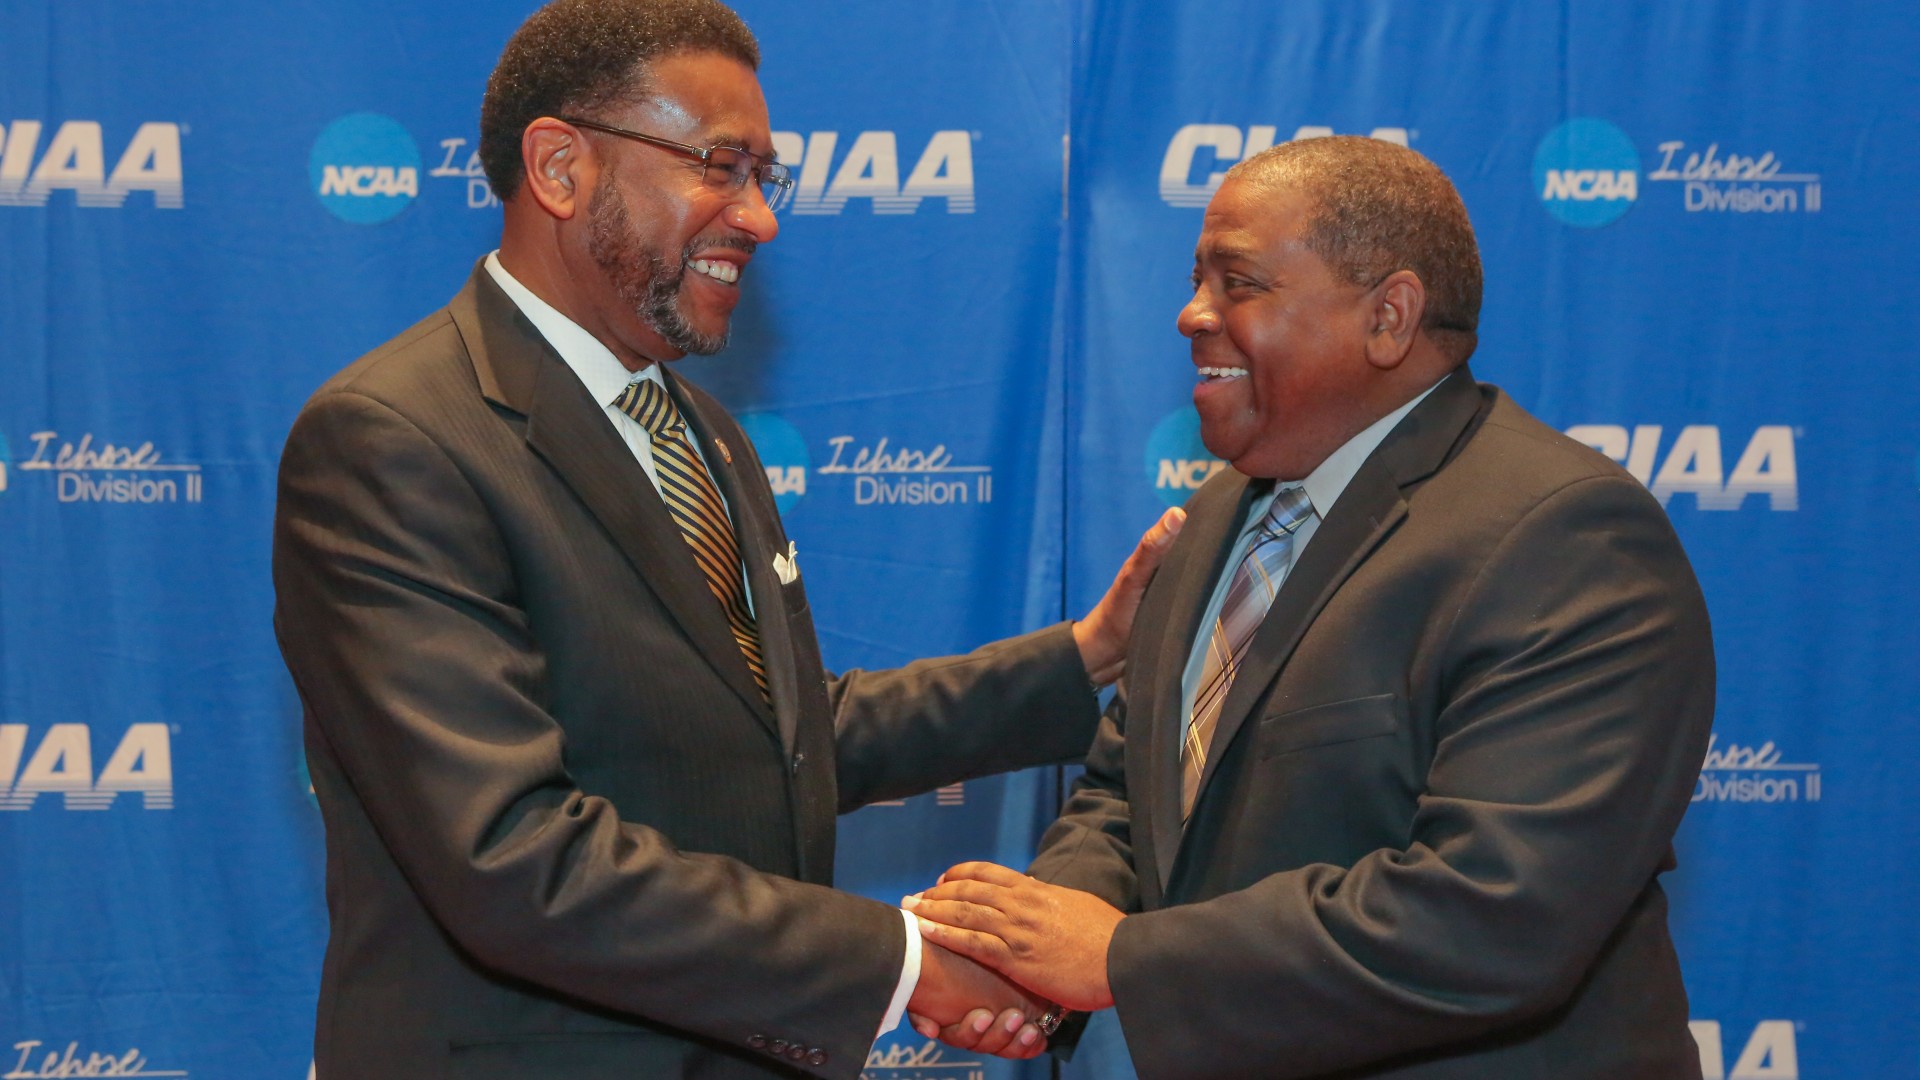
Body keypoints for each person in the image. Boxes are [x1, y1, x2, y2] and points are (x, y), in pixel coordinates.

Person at [272, 1, 1181, 1076]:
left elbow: (775, 741)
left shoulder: (693, 428)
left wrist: (1086, 658)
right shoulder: (396, 440)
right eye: (721, 165)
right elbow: (513, 858)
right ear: (560, 168)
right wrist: (901, 962)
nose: (760, 219)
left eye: (765, 177)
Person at [907, 136, 1716, 1078]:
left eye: (1238, 283)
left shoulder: (1563, 537)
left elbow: (1497, 914)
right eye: (1196, 279)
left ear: (1389, 317)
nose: (1190, 314)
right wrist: (1035, 962)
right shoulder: (1224, 511)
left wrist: (1116, 959)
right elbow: (1131, 795)